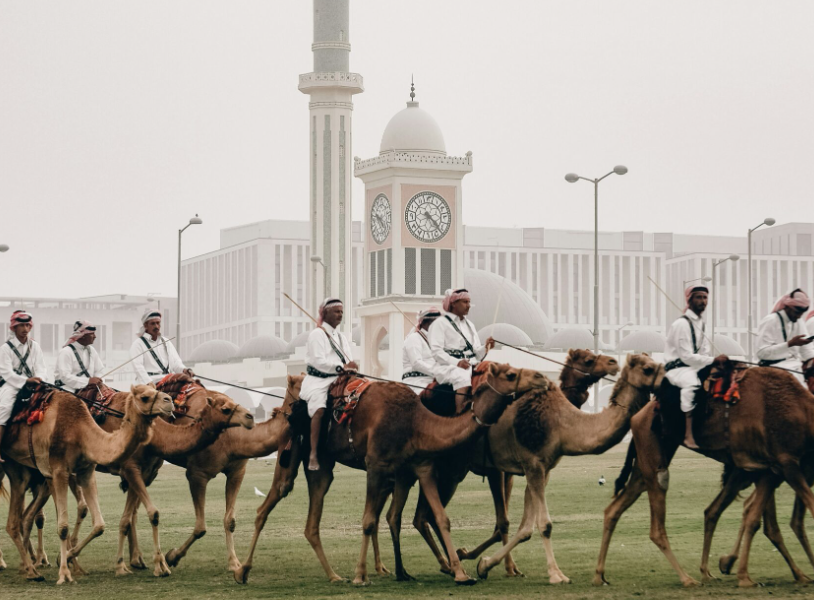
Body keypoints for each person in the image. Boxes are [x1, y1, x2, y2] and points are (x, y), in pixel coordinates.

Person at [300, 298, 356, 471]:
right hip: (319, 381)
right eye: (336, 311)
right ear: (325, 314)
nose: (340, 314)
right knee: (319, 408)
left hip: (340, 379)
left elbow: (347, 358)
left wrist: (351, 367)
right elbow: (318, 361)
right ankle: (314, 453)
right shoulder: (317, 334)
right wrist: (340, 367)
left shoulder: (341, 337)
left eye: (341, 311)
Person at [663, 284, 714, 449]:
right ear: (690, 300)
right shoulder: (681, 324)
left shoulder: (703, 325)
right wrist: (712, 361)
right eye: (698, 297)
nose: (702, 301)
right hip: (678, 368)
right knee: (692, 385)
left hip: (696, 366)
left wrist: (713, 363)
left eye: (705, 297)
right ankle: (688, 434)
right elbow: (686, 356)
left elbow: (705, 352)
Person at [428, 288, 495, 413]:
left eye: (469, 302)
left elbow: (476, 353)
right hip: (447, 367)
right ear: (453, 303)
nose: (468, 306)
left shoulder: (470, 325)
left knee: (493, 371)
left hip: (470, 364)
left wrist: (486, 347)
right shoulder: (440, 324)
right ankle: (459, 413)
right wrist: (457, 362)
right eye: (465, 302)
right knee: (462, 377)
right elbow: (437, 353)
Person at [0, 310, 47, 461]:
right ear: (14, 328)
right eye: (21, 325)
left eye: (27, 325)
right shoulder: (5, 349)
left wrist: (39, 378)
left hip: (34, 384)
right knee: (5, 408)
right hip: (12, 385)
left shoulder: (35, 346)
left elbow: (41, 367)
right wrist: (25, 381)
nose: (25, 329)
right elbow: (7, 373)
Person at [755, 289, 814, 384]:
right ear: (787, 307)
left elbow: (807, 351)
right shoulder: (770, 321)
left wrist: (811, 359)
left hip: (795, 369)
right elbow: (762, 353)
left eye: (801, 313)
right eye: (796, 312)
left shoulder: (798, 322)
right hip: (774, 370)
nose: (799, 316)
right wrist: (789, 344)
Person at [130, 308, 193, 385]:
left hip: (168, 381)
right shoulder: (138, 344)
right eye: (153, 323)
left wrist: (184, 370)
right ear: (146, 325)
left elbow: (176, 363)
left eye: (158, 323)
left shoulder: (167, 342)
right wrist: (148, 382)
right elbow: (138, 367)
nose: (156, 326)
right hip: (149, 383)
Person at [55, 320, 105, 393]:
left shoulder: (92, 350)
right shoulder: (66, 352)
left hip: (89, 389)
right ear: (83, 336)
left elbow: (99, 370)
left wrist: (97, 381)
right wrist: (87, 381)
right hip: (68, 389)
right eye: (92, 334)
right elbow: (65, 377)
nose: (95, 336)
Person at [402, 307, 441, 391]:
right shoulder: (414, 338)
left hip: (434, 382)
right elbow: (417, 363)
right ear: (424, 323)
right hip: (417, 383)